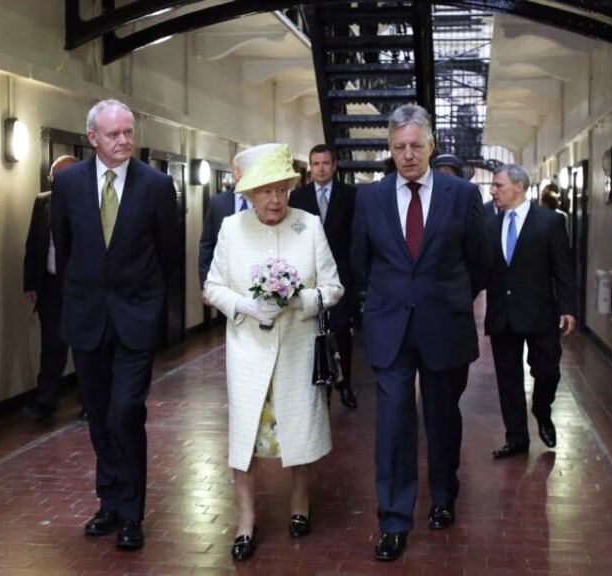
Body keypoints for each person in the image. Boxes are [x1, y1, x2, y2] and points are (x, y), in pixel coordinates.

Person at [352, 104, 488, 562]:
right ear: (389, 151)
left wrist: (450, 295)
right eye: (399, 147)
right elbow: (359, 262)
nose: (408, 155)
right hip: (390, 326)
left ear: (432, 145)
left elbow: (479, 259)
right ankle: (393, 519)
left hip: (443, 324)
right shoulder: (369, 199)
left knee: (442, 416)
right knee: (393, 423)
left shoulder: (462, 193)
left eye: (416, 145)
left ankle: (444, 495)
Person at [50, 99, 180, 550]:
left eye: (128, 132)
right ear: (92, 139)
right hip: (86, 317)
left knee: (126, 411)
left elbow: (170, 255)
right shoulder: (67, 184)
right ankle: (108, 501)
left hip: (136, 317)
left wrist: (161, 314)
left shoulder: (157, 186)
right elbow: (64, 249)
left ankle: (131, 513)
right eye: (113, 134)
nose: (124, 140)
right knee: (99, 414)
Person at [204, 143, 343, 561]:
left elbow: (334, 288)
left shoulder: (309, 226)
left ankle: (300, 502)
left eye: (282, 190)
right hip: (248, 351)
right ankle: (245, 519)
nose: (276, 200)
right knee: (245, 437)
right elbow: (212, 287)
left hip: (297, 349)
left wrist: (301, 300)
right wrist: (245, 305)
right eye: (266, 192)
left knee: (296, 431)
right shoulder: (232, 228)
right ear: (249, 194)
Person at [485, 164, 577, 460]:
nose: (493, 190)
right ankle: (516, 438)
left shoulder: (549, 222)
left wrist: (568, 308)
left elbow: (563, 268)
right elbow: (479, 268)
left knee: (547, 370)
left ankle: (542, 408)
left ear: (519, 186)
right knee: (508, 379)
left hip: (540, 313)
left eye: (498, 185)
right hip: (503, 313)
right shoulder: (488, 222)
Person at [289, 143, 359, 410]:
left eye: (325, 163)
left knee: (342, 332)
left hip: (340, 278)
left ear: (334, 165)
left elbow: (356, 238)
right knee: (312, 335)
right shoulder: (298, 198)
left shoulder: (350, 196)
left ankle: (345, 384)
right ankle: (321, 387)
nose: (320, 168)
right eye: (315, 164)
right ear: (310, 166)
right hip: (309, 279)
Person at [22, 155, 79, 425]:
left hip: (81, 287)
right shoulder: (43, 201)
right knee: (51, 346)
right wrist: (31, 283)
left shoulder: (90, 201)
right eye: (54, 177)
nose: (57, 182)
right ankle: (46, 402)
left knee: (84, 347)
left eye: (62, 176)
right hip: (51, 284)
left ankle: (90, 403)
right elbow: (33, 244)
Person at [198, 154, 249, 289]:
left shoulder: (263, 202)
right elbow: (207, 245)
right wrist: (206, 284)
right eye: (238, 170)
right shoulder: (217, 202)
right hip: (225, 285)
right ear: (235, 173)